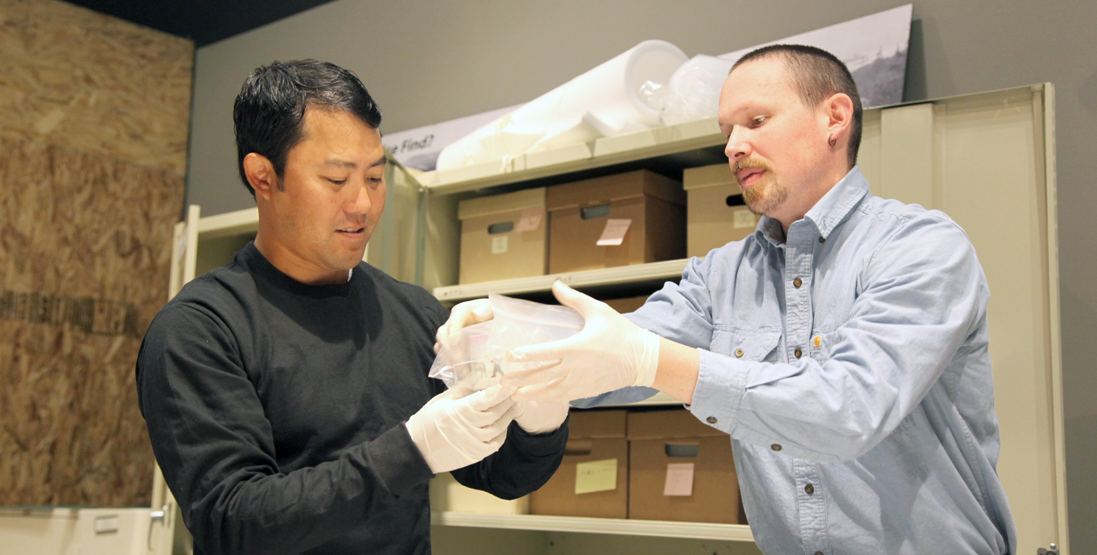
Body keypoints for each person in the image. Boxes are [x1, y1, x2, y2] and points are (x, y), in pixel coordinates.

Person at [439, 45, 1017, 554]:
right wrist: (493, 332)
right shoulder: (722, 274)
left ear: (834, 118)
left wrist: (654, 361)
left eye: (756, 121)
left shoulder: (921, 248)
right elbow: (608, 356)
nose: (734, 146)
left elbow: (850, 408)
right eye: (726, 133)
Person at [137, 59, 569, 555]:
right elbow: (235, 521)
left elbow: (502, 474)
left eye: (375, 178)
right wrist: (411, 450)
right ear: (262, 176)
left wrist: (542, 416)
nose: (362, 204)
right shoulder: (201, 331)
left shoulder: (412, 314)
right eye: (337, 180)